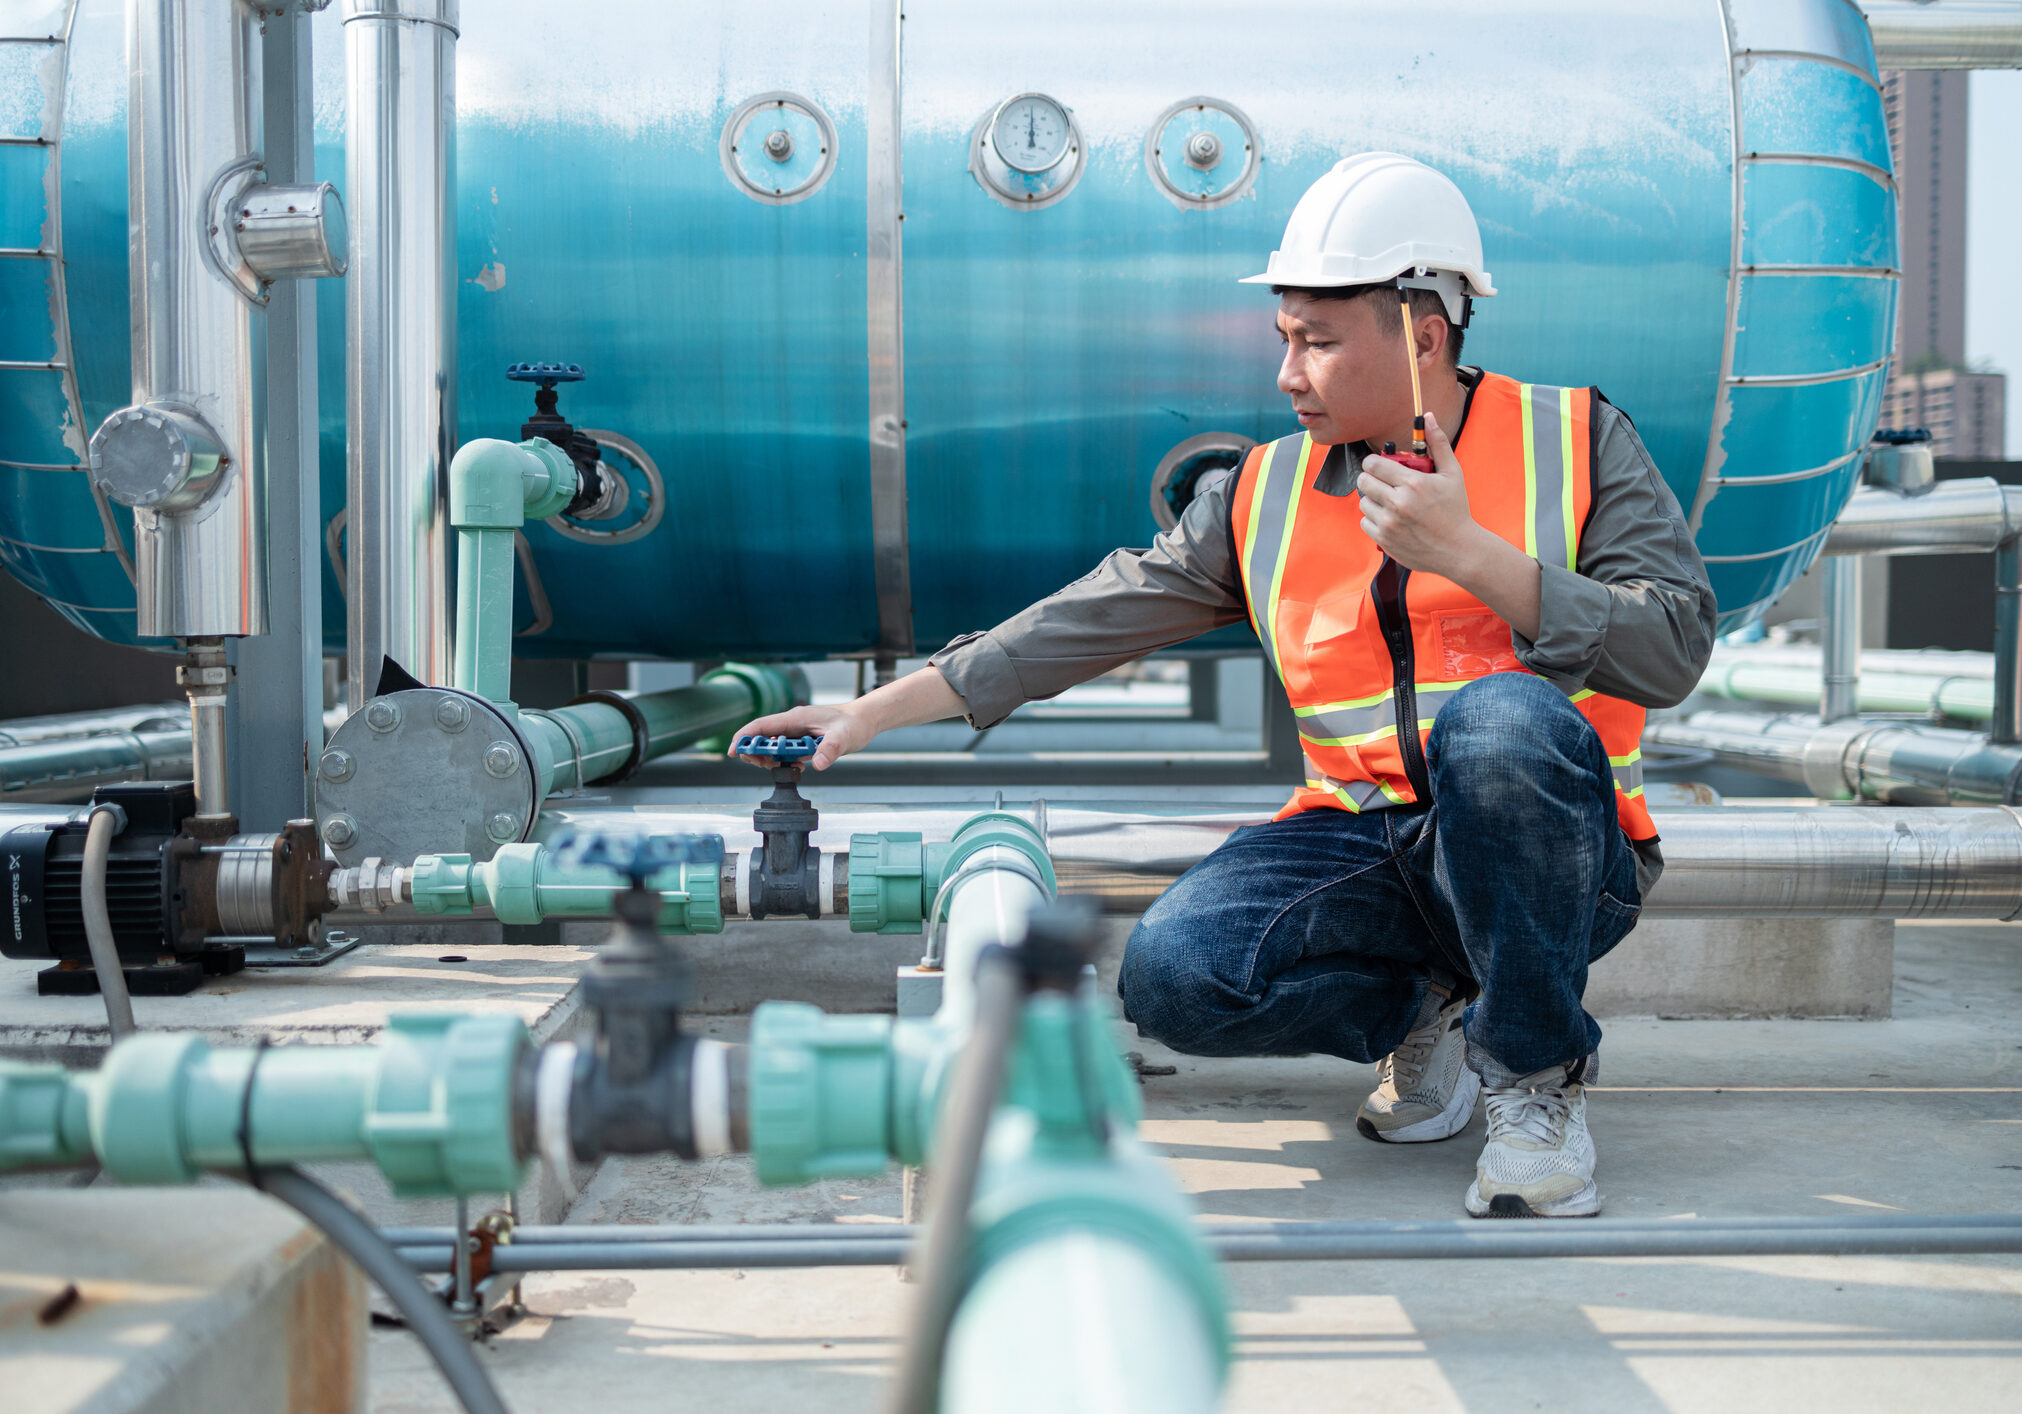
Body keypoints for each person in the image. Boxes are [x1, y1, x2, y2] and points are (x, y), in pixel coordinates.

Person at [731, 152, 1717, 1218]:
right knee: (1175, 975)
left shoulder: (1575, 438)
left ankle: (1535, 1084)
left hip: (1563, 864)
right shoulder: (1265, 489)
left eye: (1319, 342)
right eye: (1284, 338)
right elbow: (1089, 617)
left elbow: (1673, 649)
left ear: (1423, 331)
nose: (1288, 373)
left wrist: (1473, 555)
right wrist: (872, 710)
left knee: (1498, 724)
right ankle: (1430, 1005)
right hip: (1368, 846)